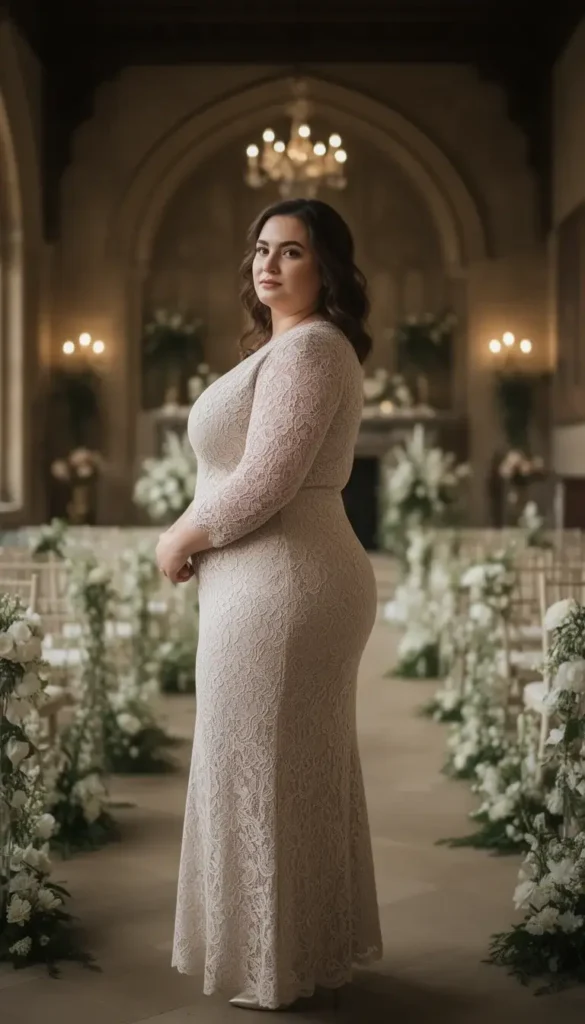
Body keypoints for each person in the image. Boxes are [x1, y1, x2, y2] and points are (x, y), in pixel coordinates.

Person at [155, 197, 383, 1012]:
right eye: (261, 248)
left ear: (327, 267)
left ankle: (272, 962)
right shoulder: (288, 348)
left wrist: (179, 536)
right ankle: (293, 949)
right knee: (272, 766)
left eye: (291, 252)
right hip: (269, 577)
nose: (268, 264)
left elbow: (268, 478)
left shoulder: (313, 349)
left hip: (285, 580)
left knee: (263, 767)